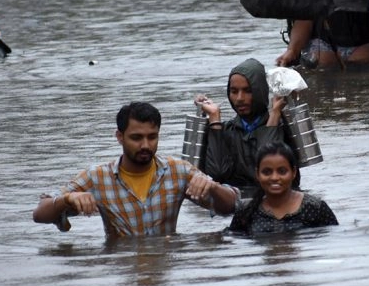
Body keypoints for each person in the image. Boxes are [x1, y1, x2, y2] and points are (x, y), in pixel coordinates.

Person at [32, 102, 239, 238]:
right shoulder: (98, 177)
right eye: (136, 138)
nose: (146, 145)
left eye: (152, 137)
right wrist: (67, 200)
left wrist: (212, 187)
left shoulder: (177, 172)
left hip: (164, 262)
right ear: (119, 137)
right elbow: (40, 214)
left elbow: (232, 206)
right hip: (120, 264)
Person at [195, 58, 299, 198]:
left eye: (247, 91)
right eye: (234, 91)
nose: (239, 98)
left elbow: (266, 173)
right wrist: (214, 119)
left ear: (260, 91)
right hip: (238, 206)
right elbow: (217, 175)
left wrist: (274, 116)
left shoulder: (282, 127)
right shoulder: (225, 130)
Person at [228, 142, 338, 234]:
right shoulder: (245, 211)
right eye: (267, 172)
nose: (275, 177)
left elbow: (333, 240)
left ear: (293, 172)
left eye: (282, 171)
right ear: (257, 174)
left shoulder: (315, 208)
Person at [275, 19, 369, 68]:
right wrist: (292, 50)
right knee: (322, 61)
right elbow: (305, 18)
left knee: (366, 58)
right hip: (322, 43)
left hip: (365, 41)